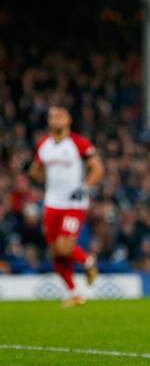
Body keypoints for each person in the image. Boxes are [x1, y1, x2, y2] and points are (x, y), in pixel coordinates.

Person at [29, 105, 104, 306]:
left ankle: (89, 261)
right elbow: (35, 169)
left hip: (74, 203)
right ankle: (74, 293)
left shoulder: (78, 143)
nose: (56, 120)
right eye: (53, 116)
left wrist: (85, 186)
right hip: (52, 203)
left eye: (60, 116)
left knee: (65, 246)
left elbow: (97, 168)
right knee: (56, 252)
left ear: (68, 120)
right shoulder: (44, 144)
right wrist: (40, 179)